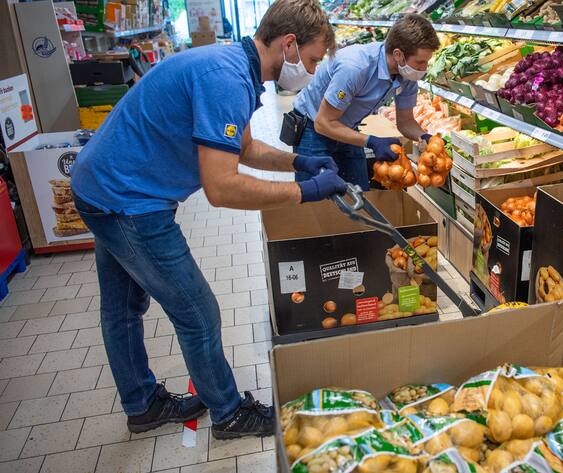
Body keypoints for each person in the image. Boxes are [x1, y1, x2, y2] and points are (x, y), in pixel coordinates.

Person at [70, 0, 345, 439]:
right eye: (311, 60)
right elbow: (221, 188)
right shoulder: (225, 79)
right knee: (198, 312)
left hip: (102, 181)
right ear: (289, 45)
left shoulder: (233, 64)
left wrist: (299, 161)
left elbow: (246, 149)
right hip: (127, 201)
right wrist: (303, 192)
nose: (310, 72)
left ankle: (142, 404)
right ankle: (229, 412)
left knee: (122, 307)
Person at [293, 13, 441, 189]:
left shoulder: (407, 75)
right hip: (313, 127)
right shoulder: (355, 68)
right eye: (420, 62)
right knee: (317, 201)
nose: (423, 69)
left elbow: (406, 122)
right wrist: (371, 141)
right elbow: (323, 123)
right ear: (398, 55)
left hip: (346, 127)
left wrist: (424, 137)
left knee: (360, 194)